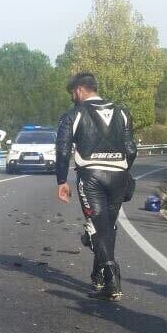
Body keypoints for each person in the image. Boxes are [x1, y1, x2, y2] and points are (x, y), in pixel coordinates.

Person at [55, 72, 137, 301]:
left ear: (79, 90)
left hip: (91, 176)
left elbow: (62, 151)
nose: (73, 98)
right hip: (119, 175)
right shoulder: (122, 112)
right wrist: (123, 170)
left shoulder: (73, 114)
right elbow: (131, 149)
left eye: (73, 94)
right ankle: (98, 275)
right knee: (107, 227)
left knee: (98, 228)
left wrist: (62, 181)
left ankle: (112, 279)